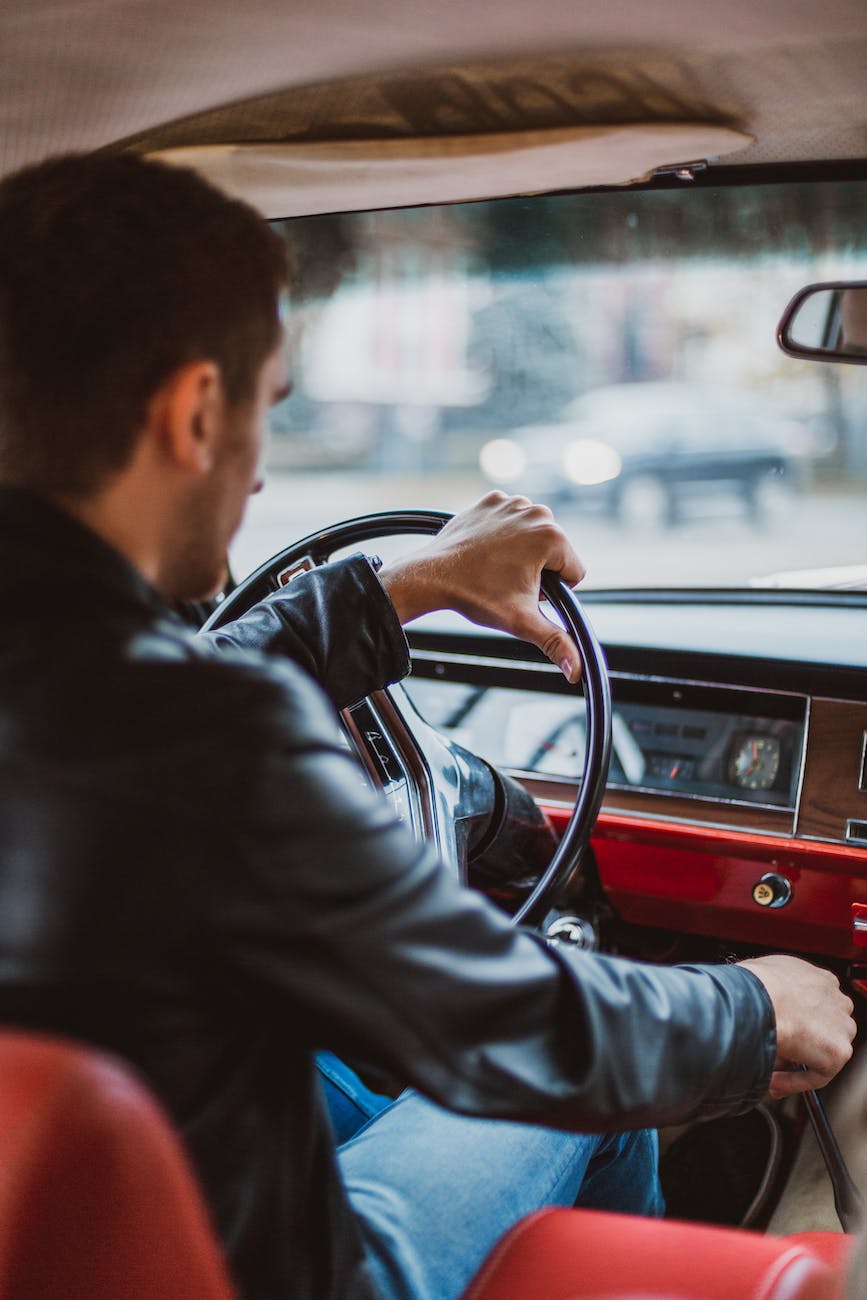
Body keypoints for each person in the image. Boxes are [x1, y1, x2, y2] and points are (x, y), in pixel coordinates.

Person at [0, 153, 855, 1300]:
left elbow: (124, 704)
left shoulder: (92, 697)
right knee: (586, 1091)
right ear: (197, 411)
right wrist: (755, 1007)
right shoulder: (205, 739)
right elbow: (511, 1024)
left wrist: (409, 585)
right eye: (268, 408)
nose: (258, 478)